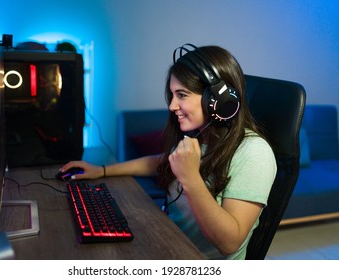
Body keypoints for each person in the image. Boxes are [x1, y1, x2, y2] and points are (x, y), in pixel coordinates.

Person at [59, 44, 277, 259]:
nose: (172, 106)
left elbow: (230, 243)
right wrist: (103, 170)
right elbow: (163, 162)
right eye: (172, 95)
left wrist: (190, 178)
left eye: (181, 95)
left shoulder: (254, 152)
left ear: (218, 102)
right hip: (167, 243)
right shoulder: (199, 135)